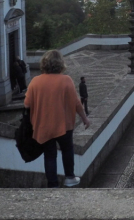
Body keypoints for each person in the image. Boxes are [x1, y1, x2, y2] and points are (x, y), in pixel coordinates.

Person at [24, 50, 90, 188]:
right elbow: (76, 103)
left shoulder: (35, 82)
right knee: (67, 149)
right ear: (60, 64)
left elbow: (27, 104)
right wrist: (85, 119)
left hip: (44, 126)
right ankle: (70, 177)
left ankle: (52, 184)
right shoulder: (66, 80)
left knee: (49, 155)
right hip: (64, 125)